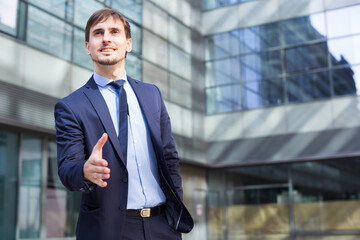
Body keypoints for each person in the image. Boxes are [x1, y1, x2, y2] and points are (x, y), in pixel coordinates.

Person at [54, 8, 193, 240]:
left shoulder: (152, 95)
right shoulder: (71, 106)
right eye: (98, 33)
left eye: (114, 32)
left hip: (163, 226)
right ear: (88, 47)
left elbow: (169, 157)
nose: (106, 38)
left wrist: (174, 210)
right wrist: (85, 171)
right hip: (111, 229)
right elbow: (67, 169)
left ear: (128, 44)